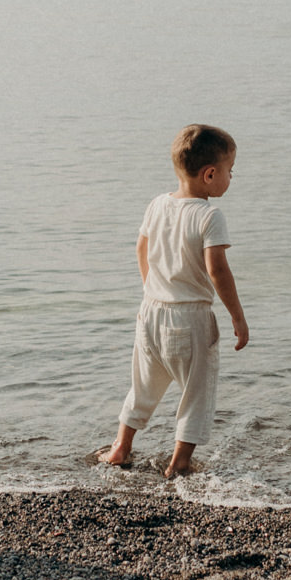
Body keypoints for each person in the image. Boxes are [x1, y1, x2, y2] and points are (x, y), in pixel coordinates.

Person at [98, 124, 250, 478]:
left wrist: (152, 288)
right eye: (230, 171)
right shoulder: (210, 215)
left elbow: (142, 248)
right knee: (197, 393)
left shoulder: (157, 204)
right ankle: (179, 463)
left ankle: (120, 447)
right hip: (191, 318)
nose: (231, 177)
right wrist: (237, 318)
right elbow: (218, 270)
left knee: (143, 385)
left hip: (150, 312)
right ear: (210, 174)